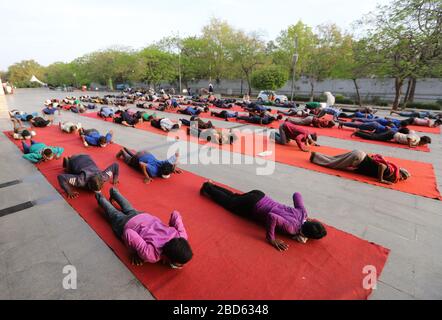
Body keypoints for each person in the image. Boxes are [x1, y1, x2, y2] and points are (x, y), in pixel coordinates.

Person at [200, 181, 327, 251]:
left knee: (234, 196)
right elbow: (272, 216)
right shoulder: (292, 229)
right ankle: (207, 187)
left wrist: (304, 214)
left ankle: (211, 185)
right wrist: (271, 239)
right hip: (253, 205)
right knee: (229, 203)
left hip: (260, 195)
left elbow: (297, 194)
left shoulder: (303, 213)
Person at [95, 188, 192, 267]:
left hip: (144, 216)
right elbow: (128, 232)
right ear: (169, 258)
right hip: (127, 224)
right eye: (179, 264)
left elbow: (175, 214)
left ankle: (114, 192)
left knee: (129, 209)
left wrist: (169, 228)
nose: (181, 266)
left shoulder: (181, 236)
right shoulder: (152, 255)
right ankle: (99, 196)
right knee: (113, 213)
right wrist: (134, 252)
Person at [310, 150, 411, 185]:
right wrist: (381, 180)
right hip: (358, 158)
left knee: (334, 159)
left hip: (359, 154)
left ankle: (316, 155)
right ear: (400, 172)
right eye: (403, 177)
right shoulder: (392, 171)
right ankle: (315, 158)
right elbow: (382, 166)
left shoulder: (393, 169)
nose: (401, 179)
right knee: (333, 164)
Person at [116, 148, 181, 184]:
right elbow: (142, 164)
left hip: (146, 153)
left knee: (138, 157)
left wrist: (173, 169)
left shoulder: (164, 163)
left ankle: (127, 150)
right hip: (139, 158)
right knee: (129, 161)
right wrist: (147, 177)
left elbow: (177, 155)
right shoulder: (154, 172)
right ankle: (122, 152)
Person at [353, 129, 431, 148]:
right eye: (425, 143)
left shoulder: (417, 139)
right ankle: (357, 133)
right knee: (374, 137)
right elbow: (409, 138)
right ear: (423, 140)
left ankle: (359, 131)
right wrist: (410, 145)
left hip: (393, 134)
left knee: (375, 136)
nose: (423, 145)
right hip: (392, 134)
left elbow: (411, 131)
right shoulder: (416, 139)